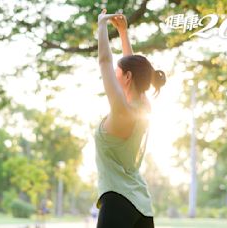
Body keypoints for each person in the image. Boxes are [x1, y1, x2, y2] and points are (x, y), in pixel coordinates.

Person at [95, 9, 166, 228]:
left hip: (118, 202)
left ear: (127, 77)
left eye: (119, 72)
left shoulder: (122, 111)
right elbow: (133, 68)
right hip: (142, 205)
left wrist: (101, 25)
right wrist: (124, 33)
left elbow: (105, 61)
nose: (114, 75)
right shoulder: (144, 106)